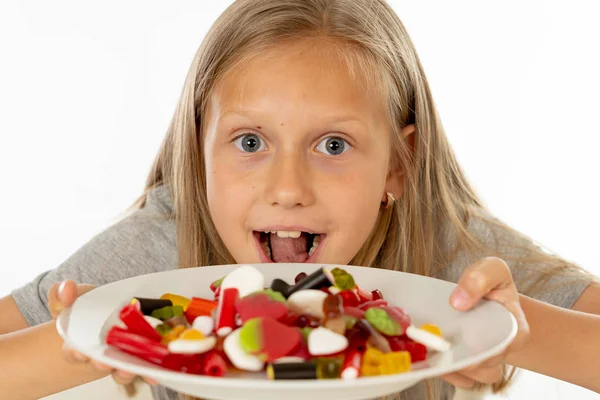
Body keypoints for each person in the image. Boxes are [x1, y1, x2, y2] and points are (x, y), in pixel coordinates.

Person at [1, 1, 598, 399]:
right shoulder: (160, 247)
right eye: (250, 141)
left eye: (333, 144)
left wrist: (518, 327)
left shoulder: (451, 256)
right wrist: (90, 340)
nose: (288, 190)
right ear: (199, 153)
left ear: (399, 163)